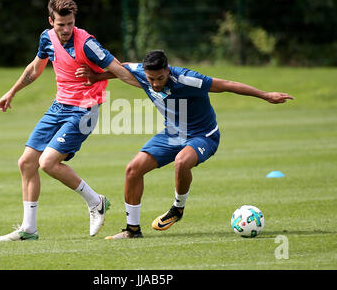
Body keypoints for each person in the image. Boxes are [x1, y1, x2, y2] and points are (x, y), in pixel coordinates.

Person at [76, 50, 294, 239]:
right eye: (151, 79)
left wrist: (265, 95)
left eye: (160, 78)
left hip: (203, 135)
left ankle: (177, 209)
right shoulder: (144, 73)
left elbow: (226, 85)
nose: (155, 84)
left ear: (168, 71)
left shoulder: (188, 79)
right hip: (172, 134)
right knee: (133, 170)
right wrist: (97, 77)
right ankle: (132, 230)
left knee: (182, 162)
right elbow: (122, 68)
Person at [0, 0, 133, 241]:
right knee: (26, 163)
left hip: (85, 110)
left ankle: (96, 202)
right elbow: (35, 69)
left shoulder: (87, 43)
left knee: (47, 163)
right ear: (51, 21)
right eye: (61, 24)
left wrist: (149, 87)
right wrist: (12, 91)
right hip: (59, 107)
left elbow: (118, 68)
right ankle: (29, 229)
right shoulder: (46, 38)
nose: (67, 29)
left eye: (70, 23)